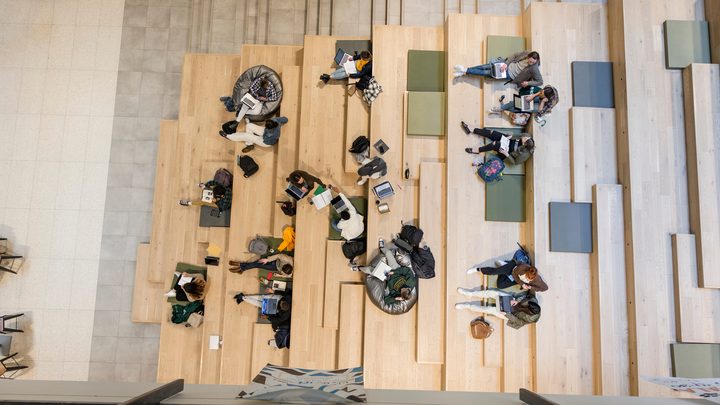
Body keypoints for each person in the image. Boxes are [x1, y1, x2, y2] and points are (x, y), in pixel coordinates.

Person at [455, 288, 541, 329]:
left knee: (489, 310)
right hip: (513, 301)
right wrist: (517, 301)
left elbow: (518, 321)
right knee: (493, 293)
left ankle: (467, 306)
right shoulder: (533, 301)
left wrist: (506, 313)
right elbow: (525, 296)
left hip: (511, 314)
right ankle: (470, 293)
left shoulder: (531, 319)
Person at [454, 51, 543, 89]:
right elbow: (514, 55)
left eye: (532, 62)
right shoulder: (526, 53)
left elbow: (540, 82)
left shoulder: (534, 69)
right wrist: (506, 64)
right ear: (528, 57)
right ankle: (465, 70)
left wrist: (528, 83)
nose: (530, 62)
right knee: (485, 66)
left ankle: (464, 70)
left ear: (535, 61)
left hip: (509, 74)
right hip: (507, 66)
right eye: (529, 60)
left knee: (486, 72)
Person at [460, 124, 535, 164]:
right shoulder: (528, 137)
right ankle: (471, 130)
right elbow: (519, 135)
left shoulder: (525, 154)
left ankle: (477, 150)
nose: (525, 136)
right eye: (526, 137)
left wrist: (506, 154)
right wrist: (511, 136)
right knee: (492, 132)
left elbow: (515, 162)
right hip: (507, 141)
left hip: (506, 152)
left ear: (524, 144)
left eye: (525, 138)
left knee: (495, 144)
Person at [467, 259, 548, 292]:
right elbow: (514, 273)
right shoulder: (522, 268)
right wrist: (522, 284)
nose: (528, 280)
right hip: (513, 269)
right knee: (494, 272)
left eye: (529, 280)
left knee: (500, 285)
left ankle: (503, 267)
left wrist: (531, 287)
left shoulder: (537, 280)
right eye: (527, 277)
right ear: (526, 272)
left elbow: (545, 288)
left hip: (517, 280)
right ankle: (478, 269)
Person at [219, 116, 288, 153]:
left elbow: (265, 137)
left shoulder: (274, 134)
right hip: (265, 132)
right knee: (249, 125)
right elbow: (285, 119)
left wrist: (257, 136)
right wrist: (284, 121)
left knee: (247, 136)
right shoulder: (275, 120)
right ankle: (249, 145)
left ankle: (229, 136)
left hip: (266, 141)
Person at [489, 85, 558, 116]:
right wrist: (532, 96)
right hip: (542, 98)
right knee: (517, 101)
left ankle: (501, 109)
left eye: (542, 94)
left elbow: (540, 113)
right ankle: (501, 109)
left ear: (546, 97)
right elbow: (540, 92)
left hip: (542, 106)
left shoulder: (550, 104)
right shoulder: (548, 88)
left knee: (521, 108)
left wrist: (542, 101)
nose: (541, 93)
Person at [228, 253, 293, 275]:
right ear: (286, 264)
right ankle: (241, 267)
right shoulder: (286, 259)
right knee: (257, 263)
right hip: (274, 261)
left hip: (274, 268)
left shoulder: (289, 273)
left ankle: (241, 266)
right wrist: (267, 259)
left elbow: (288, 276)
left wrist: (279, 275)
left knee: (257, 264)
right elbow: (278, 256)